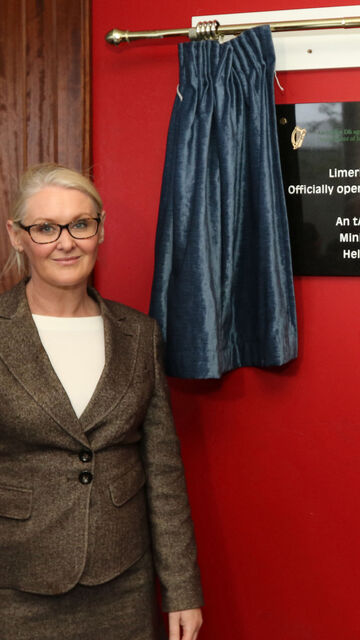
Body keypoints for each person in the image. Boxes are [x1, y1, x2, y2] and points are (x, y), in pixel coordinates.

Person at [0, 164, 203, 640]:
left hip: (123, 584)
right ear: (17, 236)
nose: (66, 243)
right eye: (46, 228)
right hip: (16, 586)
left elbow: (163, 472)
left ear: (100, 229)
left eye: (80, 224)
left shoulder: (140, 335)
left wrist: (181, 589)